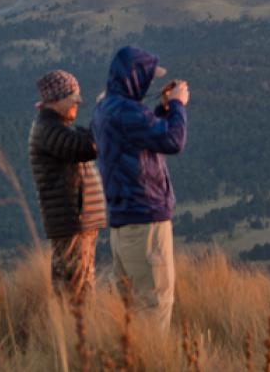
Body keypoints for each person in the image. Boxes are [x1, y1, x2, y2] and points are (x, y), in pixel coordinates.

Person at [91, 46, 189, 332]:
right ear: (134, 77)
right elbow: (173, 140)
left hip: (124, 224)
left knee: (132, 310)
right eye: (147, 77)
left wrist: (161, 110)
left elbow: (140, 136)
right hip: (145, 222)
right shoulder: (127, 112)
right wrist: (179, 105)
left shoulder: (106, 108)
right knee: (154, 306)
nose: (149, 82)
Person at [28, 69, 106, 301]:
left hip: (77, 224)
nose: (77, 105)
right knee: (74, 294)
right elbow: (86, 147)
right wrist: (102, 114)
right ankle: (72, 334)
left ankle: (76, 333)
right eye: (74, 100)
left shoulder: (55, 128)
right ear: (57, 101)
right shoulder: (49, 130)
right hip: (73, 225)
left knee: (79, 290)